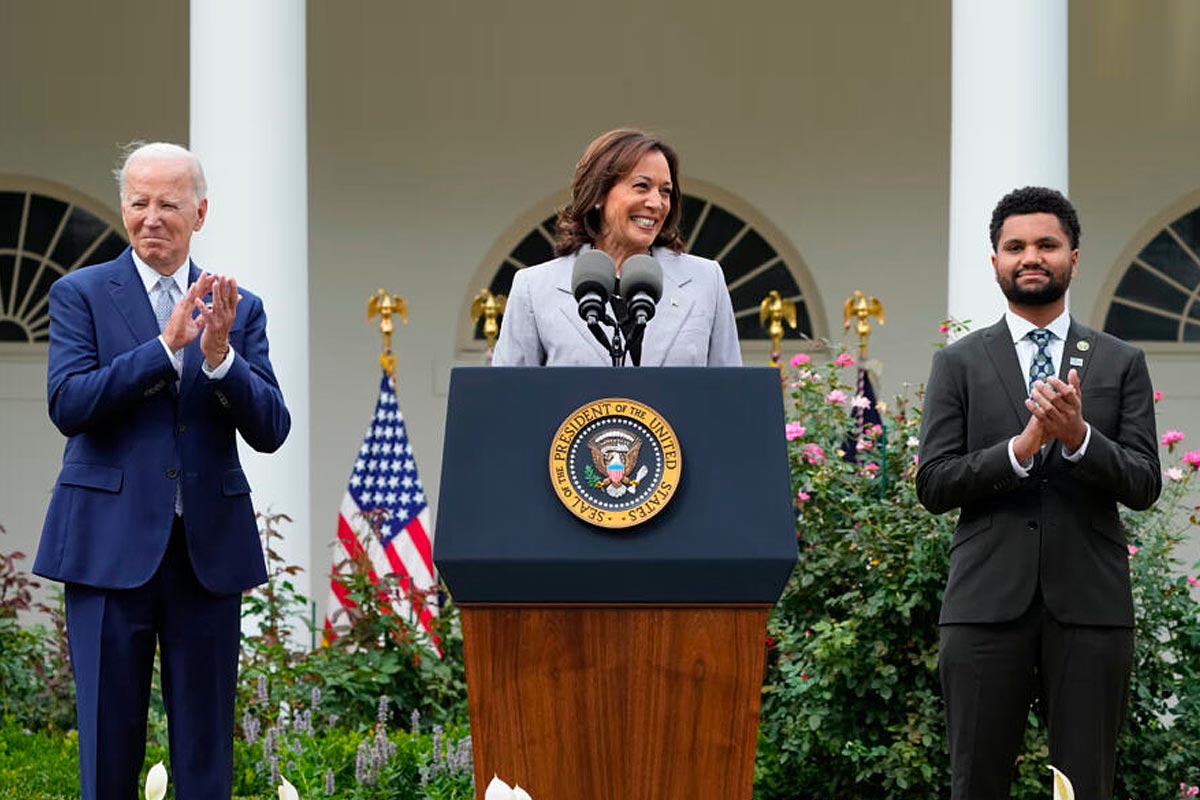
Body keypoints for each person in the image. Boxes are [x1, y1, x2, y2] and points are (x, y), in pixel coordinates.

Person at [34, 142, 291, 800]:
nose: (152, 216)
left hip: (206, 553)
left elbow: (271, 430)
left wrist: (219, 360)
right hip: (106, 546)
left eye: (169, 204)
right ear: (124, 209)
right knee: (106, 753)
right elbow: (69, 404)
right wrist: (162, 349)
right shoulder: (79, 294)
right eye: (139, 202)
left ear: (199, 212)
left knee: (206, 756)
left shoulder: (240, 307)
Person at [916, 186, 1160, 799]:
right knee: (976, 782)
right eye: (1015, 246)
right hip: (984, 605)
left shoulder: (1120, 361)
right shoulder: (960, 363)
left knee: (1083, 786)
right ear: (994, 260)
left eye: (1047, 245)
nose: (1031, 256)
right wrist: (1020, 450)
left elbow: (1144, 483)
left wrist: (1079, 437)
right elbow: (934, 483)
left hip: (1090, 605)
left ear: (1073, 257)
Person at [492, 128, 741, 366]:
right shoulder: (533, 288)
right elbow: (507, 397)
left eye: (665, 192)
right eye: (641, 186)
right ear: (599, 194)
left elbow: (732, 393)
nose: (656, 203)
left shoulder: (706, 280)